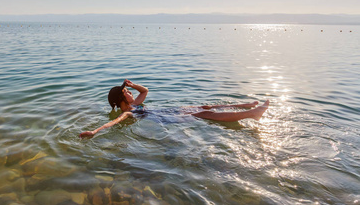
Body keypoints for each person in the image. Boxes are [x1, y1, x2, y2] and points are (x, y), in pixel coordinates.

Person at [79, 79, 269, 138]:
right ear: (122, 98)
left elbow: (145, 91)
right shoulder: (128, 111)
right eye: (127, 92)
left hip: (167, 111)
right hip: (165, 119)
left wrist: (133, 84)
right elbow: (115, 121)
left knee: (204, 106)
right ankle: (252, 114)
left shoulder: (135, 104)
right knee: (203, 114)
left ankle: (247, 106)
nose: (131, 93)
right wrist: (95, 131)